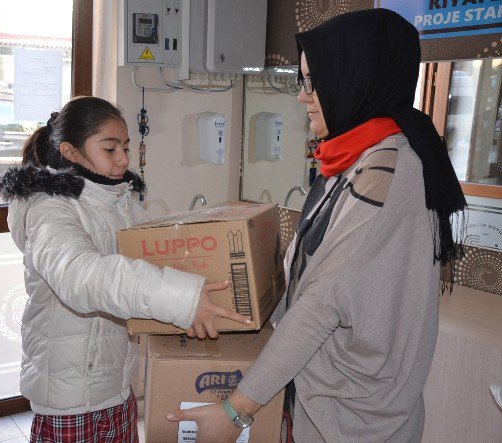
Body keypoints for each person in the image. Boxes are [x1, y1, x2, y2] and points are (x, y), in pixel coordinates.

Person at [167, 8, 466, 442]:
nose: (302, 96)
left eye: (313, 82)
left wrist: (236, 412)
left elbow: (322, 303)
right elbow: (309, 278)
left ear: (355, 78)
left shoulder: (388, 170)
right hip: (324, 398)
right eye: (301, 81)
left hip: (353, 419)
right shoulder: (353, 157)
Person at [0, 96, 250, 443]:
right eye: (110, 149)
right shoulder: (48, 206)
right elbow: (81, 277)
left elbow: (149, 261)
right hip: (70, 399)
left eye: (125, 147)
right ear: (71, 152)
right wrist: (183, 299)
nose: (124, 160)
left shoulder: (118, 199)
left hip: (115, 388)